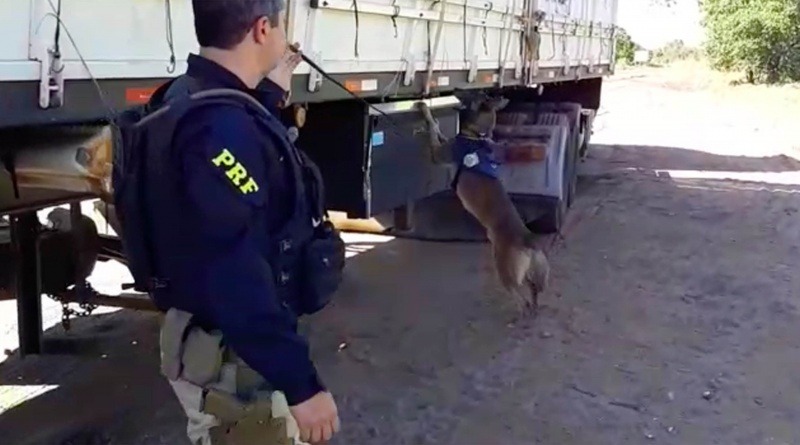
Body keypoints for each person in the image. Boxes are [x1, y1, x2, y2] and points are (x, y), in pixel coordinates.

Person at [110, 0, 345, 443]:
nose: (284, 39)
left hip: (209, 338)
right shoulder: (220, 127)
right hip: (232, 358)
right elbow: (234, 270)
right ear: (260, 30)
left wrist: (271, 93)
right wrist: (302, 385)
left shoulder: (186, 97)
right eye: (280, 28)